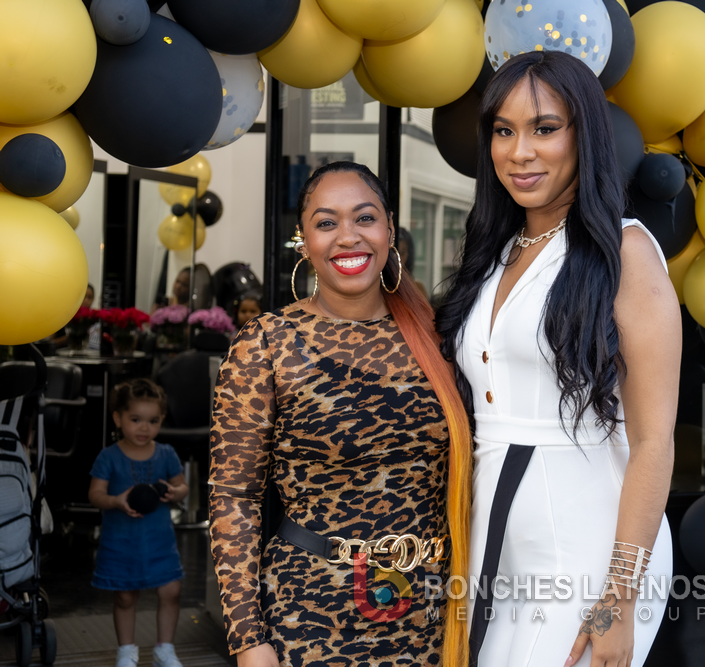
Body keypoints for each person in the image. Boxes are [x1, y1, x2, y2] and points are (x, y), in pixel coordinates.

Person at [436, 51, 681, 666]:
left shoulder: (624, 252)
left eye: (544, 128)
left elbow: (654, 441)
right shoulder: (493, 251)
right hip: (494, 540)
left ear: (583, 135)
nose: (520, 152)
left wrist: (618, 599)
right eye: (504, 131)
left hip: (591, 548)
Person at [209, 162, 472, 667]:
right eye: (326, 223)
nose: (348, 237)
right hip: (309, 612)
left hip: (431, 611)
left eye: (364, 218)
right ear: (304, 241)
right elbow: (233, 498)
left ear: (389, 229)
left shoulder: (442, 337)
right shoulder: (266, 343)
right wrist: (247, 639)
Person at [87, 379, 189, 667]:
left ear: (161, 420)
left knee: (172, 591)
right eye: (136, 420)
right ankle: (126, 651)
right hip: (121, 542)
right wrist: (117, 501)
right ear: (118, 418)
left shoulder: (166, 453)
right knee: (125, 597)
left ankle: (164, 650)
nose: (144, 428)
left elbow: (183, 486)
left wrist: (175, 492)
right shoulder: (108, 456)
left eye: (153, 421)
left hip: (159, 541)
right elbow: (95, 495)